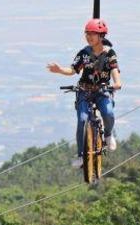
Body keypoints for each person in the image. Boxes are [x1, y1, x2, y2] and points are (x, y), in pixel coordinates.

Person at [47, 19, 122, 167]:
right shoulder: (84, 53)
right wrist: (60, 70)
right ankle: (81, 155)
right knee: (82, 120)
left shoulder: (109, 53)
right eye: (87, 34)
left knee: (108, 113)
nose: (89, 37)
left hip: (102, 90)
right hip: (84, 91)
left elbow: (114, 69)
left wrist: (117, 83)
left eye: (92, 34)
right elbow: (73, 70)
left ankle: (108, 134)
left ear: (101, 36)